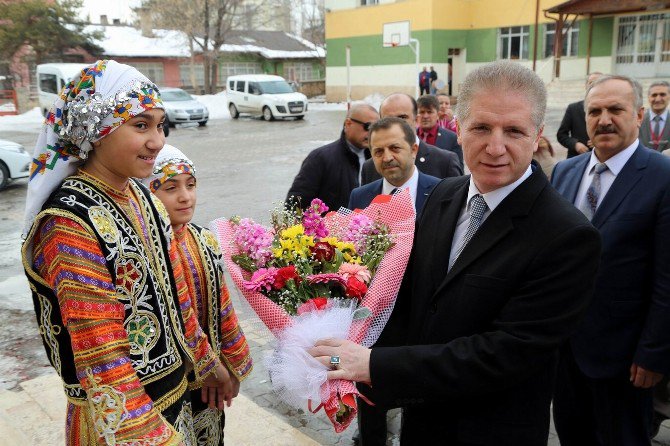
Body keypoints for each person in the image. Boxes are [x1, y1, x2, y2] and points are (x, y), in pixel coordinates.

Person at [310, 60, 601, 445]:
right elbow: (413, 302)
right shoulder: (443, 196)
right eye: (481, 127)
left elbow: (502, 355)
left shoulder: (568, 236)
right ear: (459, 129)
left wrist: (373, 365)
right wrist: (329, 337)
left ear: (537, 137)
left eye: (513, 130)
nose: (495, 147)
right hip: (423, 426)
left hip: (492, 433)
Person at [21, 60, 235, 444]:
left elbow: (176, 297)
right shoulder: (70, 221)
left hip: (172, 397)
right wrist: (151, 436)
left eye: (159, 124)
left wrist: (206, 362)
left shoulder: (141, 196)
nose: (158, 141)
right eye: (141, 125)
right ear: (97, 132)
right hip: (120, 422)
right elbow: (99, 349)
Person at [551, 75, 670, 446]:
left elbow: (667, 276)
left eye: (615, 110)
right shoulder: (565, 172)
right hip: (565, 351)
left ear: (637, 115)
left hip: (626, 358)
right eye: (595, 111)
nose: (604, 119)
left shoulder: (662, 176)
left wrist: (654, 353)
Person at [143, 144, 253, 445]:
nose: (185, 196)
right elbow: (178, 312)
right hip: (167, 383)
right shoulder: (148, 248)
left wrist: (230, 367)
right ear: (147, 193)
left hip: (208, 383)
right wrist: (210, 366)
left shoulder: (203, 238)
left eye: (191, 185)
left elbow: (223, 306)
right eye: (170, 187)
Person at [349, 117, 440, 445]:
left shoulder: (442, 191)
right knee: (371, 409)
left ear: (414, 149)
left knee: (419, 409)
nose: (387, 157)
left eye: (395, 148)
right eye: (378, 151)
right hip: (372, 327)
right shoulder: (361, 195)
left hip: (422, 322)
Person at [286, 103, 379, 211]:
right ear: (348, 124)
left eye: (376, 128)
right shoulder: (320, 158)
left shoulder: (377, 159)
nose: (371, 133)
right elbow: (296, 205)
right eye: (368, 127)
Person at [361, 93, 462, 184]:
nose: (396, 124)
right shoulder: (370, 168)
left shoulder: (445, 161)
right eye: (389, 120)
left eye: (402, 118)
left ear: (416, 120)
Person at [557, 72, 603, 158]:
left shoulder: (610, 110)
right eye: (591, 83)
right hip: (576, 159)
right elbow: (561, 135)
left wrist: (600, 141)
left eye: (598, 83)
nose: (594, 86)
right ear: (586, 85)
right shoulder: (573, 108)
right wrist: (575, 144)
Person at [416, 94, 463, 166]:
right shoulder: (410, 136)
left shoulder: (452, 138)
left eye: (429, 112)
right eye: (422, 112)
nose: (425, 116)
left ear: (437, 114)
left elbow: (458, 170)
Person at [639, 80, 670, 152]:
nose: (658, 99)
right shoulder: (637, 121)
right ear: (648, 97)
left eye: (662, 95)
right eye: (654, 95)